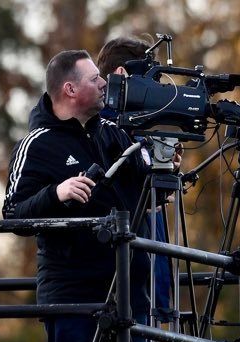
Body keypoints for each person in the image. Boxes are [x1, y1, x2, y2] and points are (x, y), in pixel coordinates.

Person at [2, 50, 155, 342]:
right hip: (73, 298)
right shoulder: (36, 145)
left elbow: (148, 196)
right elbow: (12, 215)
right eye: (94, 79)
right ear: (70, 89)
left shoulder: (115, 135)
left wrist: (165, 172)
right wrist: (56, 193)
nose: (105, 82)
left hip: (129, 294)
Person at [97, 37, 173, 313]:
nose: (155, 87)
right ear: (121, 74)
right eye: (148, 77)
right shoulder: (103, 130)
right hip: (122, 287)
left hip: (143, 284)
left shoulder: (139, 128)